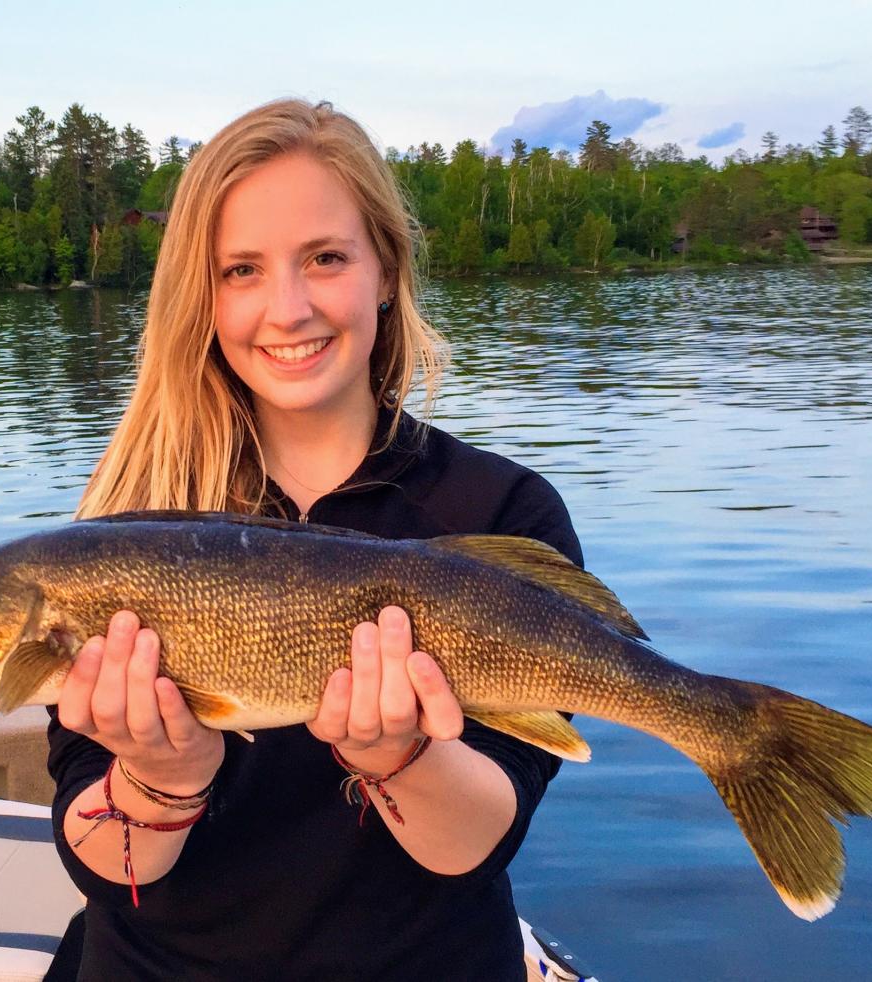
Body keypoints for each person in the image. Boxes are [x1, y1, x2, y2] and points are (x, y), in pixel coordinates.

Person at [45, 98, 582, 981]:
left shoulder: (504, 511)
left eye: (325, 259)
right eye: (242, 271)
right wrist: (160, 777)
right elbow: (107, 870)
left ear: (384, 269)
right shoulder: (127, 524)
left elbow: (476, 845)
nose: (287, 309)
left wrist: (400, 759)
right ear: (202, 297)